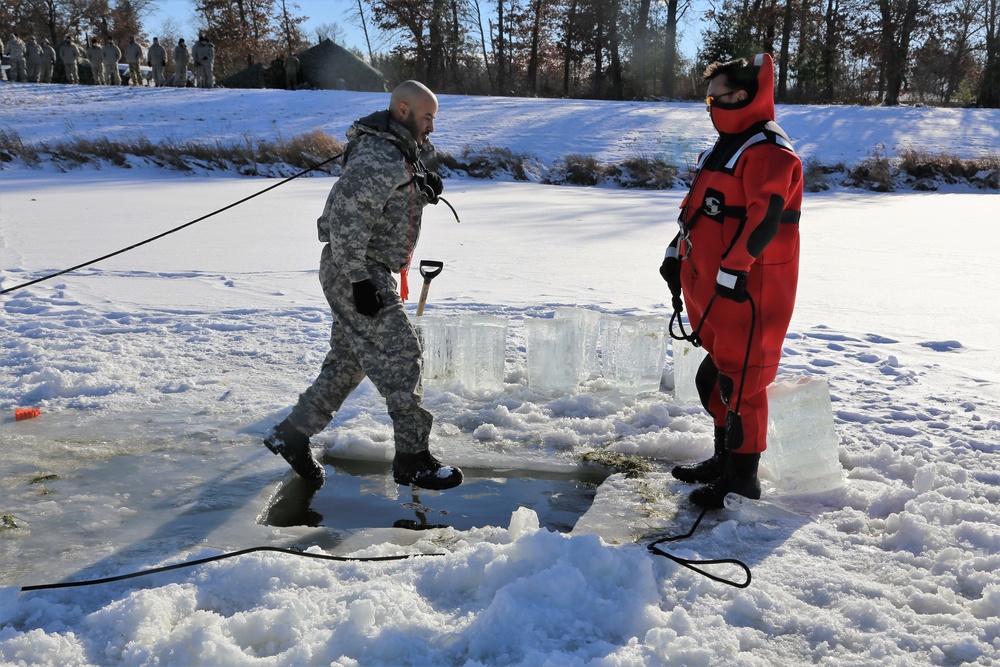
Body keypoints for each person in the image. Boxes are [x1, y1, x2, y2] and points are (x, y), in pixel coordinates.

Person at [263, 80, 461, 491]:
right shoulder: (378, 154)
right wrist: (357, 279)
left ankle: (293, 434)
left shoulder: (403, 151)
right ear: (403, 111)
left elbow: (395, 197)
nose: (432, 127)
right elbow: (347, 221)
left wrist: (425, 190)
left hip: (366, 267)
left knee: (348, 362)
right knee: (404, 352)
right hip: (354, 267)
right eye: (427, 118)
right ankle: (412, 458)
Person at [660, 53, 802, 509]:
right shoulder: (727, 145)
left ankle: (742, 480)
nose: (708, 106)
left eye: (713, 97)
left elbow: (767, 217)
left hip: (749, 290)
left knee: (743, 385)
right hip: (714, 287)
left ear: (741, 95)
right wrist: (674, 253)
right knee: (715, 379)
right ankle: (724, 459)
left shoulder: (767, 149)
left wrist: (734, 269)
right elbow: (697, 210)